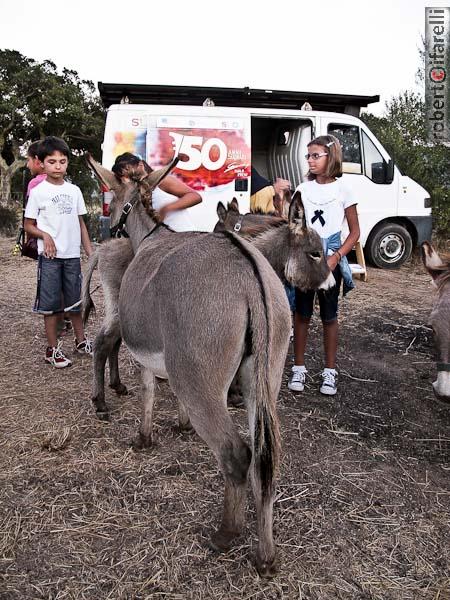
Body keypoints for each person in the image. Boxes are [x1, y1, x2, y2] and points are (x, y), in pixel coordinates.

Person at [288, 135, 360, 396]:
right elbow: (294, 224)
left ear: (332, 157)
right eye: (308, 156)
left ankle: (330, 372)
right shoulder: (303, 189)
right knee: (302, 313)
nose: (310, 160)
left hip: (330, 258)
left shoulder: (344, 190)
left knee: (329, 316)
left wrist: (336, 257)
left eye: (315, 155)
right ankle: (299, 368)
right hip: (306, 258)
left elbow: (354, 232)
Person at [24, 136, 94, 368]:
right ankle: (52, 350)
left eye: (62, 161)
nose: (57, 166)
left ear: (67, 163)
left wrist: (90, 251)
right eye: (51, 161)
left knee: (75, 302)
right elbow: (28, 225)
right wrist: (45, 236)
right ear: (41, 163)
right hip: (50, 258)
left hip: (72, 255)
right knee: (52, 305)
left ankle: (81, 341)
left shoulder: (74, 191)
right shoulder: (38, 192)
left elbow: (81, 223)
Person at [26, 141, 72, 336]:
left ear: (37, 161)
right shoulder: (67, 185)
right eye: (53, 161)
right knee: (64, 287)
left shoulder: (36, 184)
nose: (28, 165)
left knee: (51, 287)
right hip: (62, 246)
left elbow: (30, 220)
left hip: (50, 247)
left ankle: (58, 323)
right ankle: (64, 320)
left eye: (28, 160)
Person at [111, 152, 202, 231]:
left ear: (141, 165)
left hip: (182, 236)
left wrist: (166, 209)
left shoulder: (162, 181)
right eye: (121, 175)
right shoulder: (134, 196)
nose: (125, 177)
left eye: (127, 169)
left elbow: (195, 196)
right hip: (159, 244)